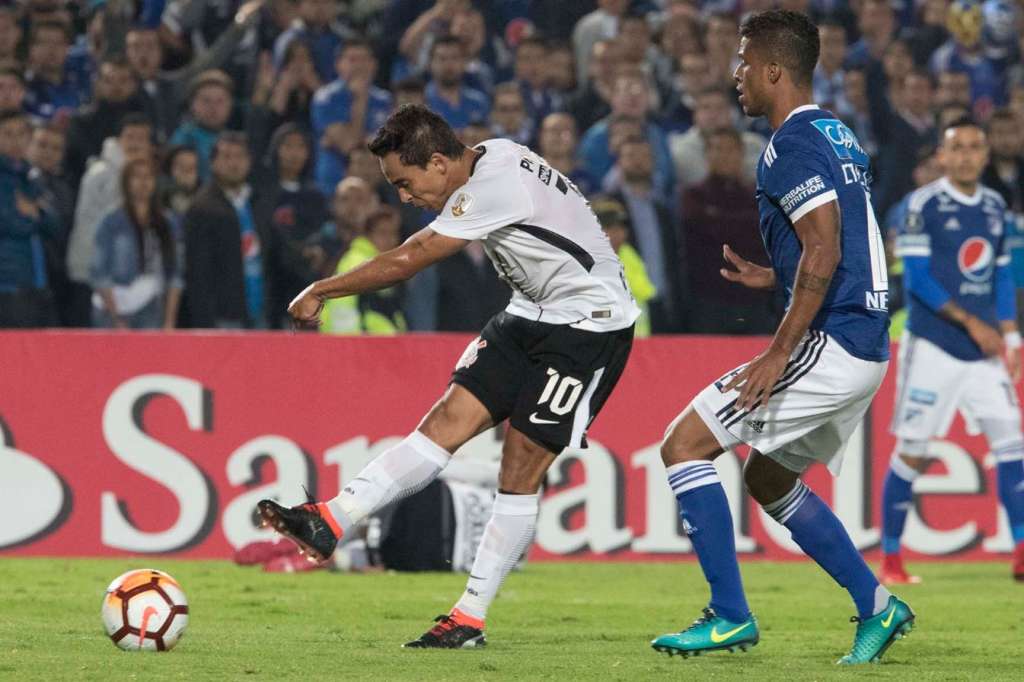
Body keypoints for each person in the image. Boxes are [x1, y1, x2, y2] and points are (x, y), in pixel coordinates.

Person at [257, 103, 638, 648]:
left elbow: (411, 257)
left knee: (521, 462)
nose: (404, 197)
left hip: (587, 326)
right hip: (529, 311)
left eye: (405, 183)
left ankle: (469, 617)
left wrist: (321, 288)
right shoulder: (495, 154)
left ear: (439, 162)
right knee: (444, 422)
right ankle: (332, 519)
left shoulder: (494, 184)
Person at [649, 11, 913, 665]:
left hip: (833, 340)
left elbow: (823, 250)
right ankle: (880, 607)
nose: (734, 75)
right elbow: (843, 241)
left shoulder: (790, 144)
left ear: (772, 70)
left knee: (684, 445)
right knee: (768, 477)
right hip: (864, 342)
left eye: (742, 63)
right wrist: (778, 273)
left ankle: (730, 616)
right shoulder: (837, 132)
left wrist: (779, 351)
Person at [884, 118, 1024, 584]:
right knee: (914, 451)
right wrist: (973, 325)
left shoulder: (994, 208)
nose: (966, 155)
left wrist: (1010, 335)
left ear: (985, 155)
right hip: (934, 348)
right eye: (956, 148)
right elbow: (918, 280)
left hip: (984, 350)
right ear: (942, 157)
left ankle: (1021, 549)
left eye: (974, 147)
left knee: (1011, 444)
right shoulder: (921, 205)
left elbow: (1002, 275)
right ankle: (891, 559)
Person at [183, 132, 266, 329]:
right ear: (213, 163)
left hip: (261, 310)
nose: (234, 163)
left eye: (239, 156)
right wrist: (205, 321)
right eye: (226, 157)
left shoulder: (259, 201)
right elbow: (197, 272)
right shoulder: (202, 208)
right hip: (224, 316)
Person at [89, 157, 183, 329]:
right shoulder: (111, 221)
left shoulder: (167, 222)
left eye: (148, 177)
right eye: (137, 177)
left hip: (150, 304)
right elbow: (99, 272)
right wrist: (116, 318)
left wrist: (170, 321)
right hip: (113, 306)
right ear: (126, 182)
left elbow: (175, 274)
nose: (143, 182)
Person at [0, 110, 58, 328]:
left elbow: (56, 224)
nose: (15, 141)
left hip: (36, 279)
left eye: (21, 134)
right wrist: (35, 216)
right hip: (7, 282)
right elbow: (9, 224)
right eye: (7, 134)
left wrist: (37, 214)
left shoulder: (31, 176)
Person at [320, 205, 406, 334]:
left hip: (378, 345)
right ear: (368, 235)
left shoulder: (383, 265)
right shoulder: (358, 262)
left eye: (394, 233)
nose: (391, 240)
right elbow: (343, 306)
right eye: (383, 233)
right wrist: (350, 347)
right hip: (358, 346)